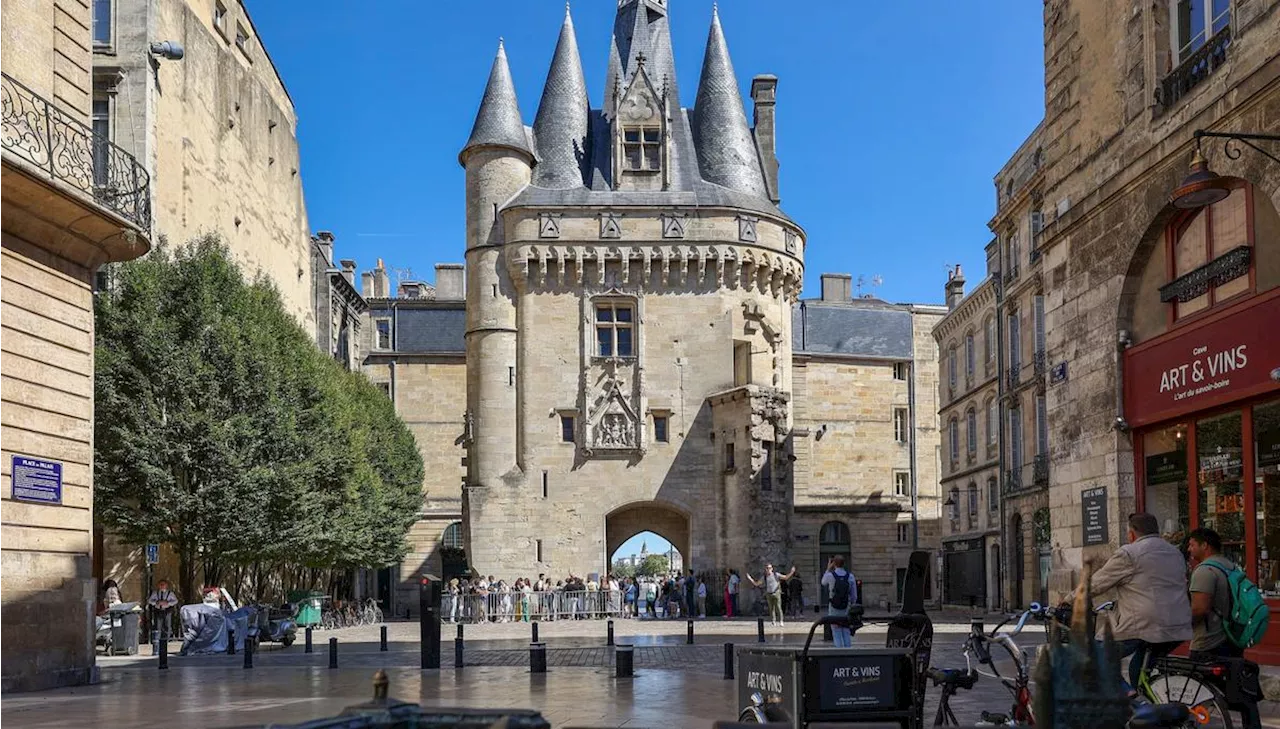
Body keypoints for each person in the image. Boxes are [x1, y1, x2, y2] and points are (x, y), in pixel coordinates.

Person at [1082, 512, 1192, 696]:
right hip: (1177, 624)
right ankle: (1150, 709)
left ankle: (1125, 693)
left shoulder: (1129, 553)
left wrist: (1067, 600)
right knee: (1138, 669)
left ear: (1132, 534)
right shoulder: (1175, 552)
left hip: (1144, 624)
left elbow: (1095, 585)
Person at [1187, 528, 1261, 729]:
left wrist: (1180, 624)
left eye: (1192, 544)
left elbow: (1200, 609)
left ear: (1205, 545)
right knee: (1241, 693)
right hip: (1231, 638)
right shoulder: (1231, 566)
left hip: (1208, 642)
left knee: (1191, 692)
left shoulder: (1203, 571)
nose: (1189, 548)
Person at [821, 556, 857, 647]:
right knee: (846, 632)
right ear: (844, 564)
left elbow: (823, 582)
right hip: (846, 608)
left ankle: (839, 652)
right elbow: (854, 596)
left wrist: (828, 569)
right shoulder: (850, 576)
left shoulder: (830, 575)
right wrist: (851, 604)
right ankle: (848, 653)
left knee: (836, 633)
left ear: (834, 564)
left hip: (833, 609)